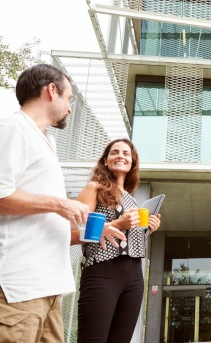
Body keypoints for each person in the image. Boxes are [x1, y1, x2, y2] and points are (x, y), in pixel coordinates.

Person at [0, 63, 101, 342]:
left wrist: (87, 231)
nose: (70, 108)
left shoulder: (45, 143)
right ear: (51, 91)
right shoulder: (11, 129)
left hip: (45, 292)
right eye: (69, 98)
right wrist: (61, 204)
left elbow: (38, 222)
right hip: (10, 290)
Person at [74, 138, 161, 342]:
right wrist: (118, 224)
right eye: (114, 152)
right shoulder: (94, 188)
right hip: (102, 271)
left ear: (132, 163)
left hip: (133, 276)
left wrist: (147, 230)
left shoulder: (132, 198)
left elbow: (126, 238)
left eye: (126, 153)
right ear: (105, 160)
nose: (120, 156)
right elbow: (74, 231)